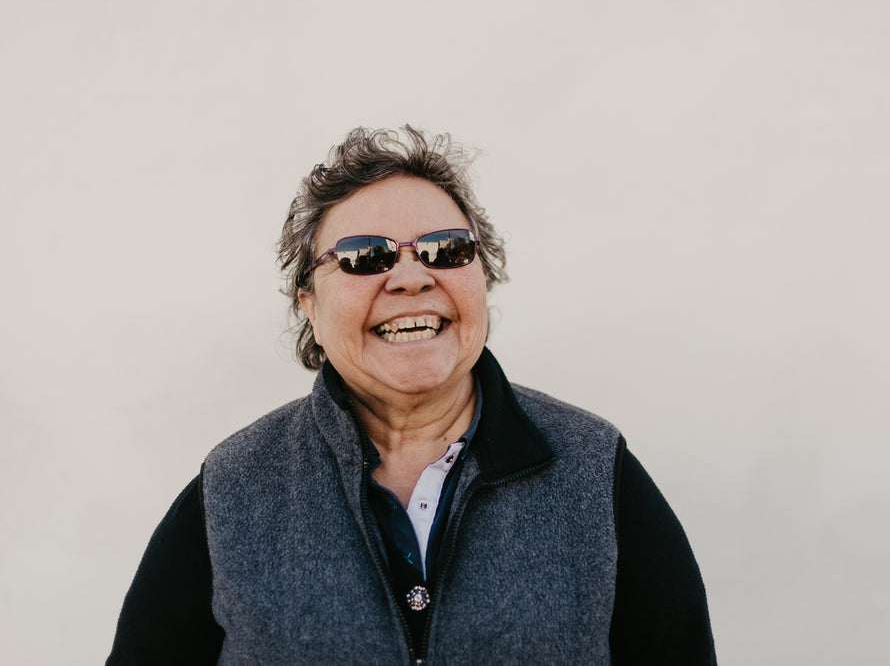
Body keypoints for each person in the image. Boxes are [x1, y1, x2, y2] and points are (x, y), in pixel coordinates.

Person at [107, 126, 716, 664]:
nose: (411, 276)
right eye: (363, 257)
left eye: (445, 250)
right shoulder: (234, 487)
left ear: (482, 278)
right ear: (309, 306)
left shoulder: (595, 470)